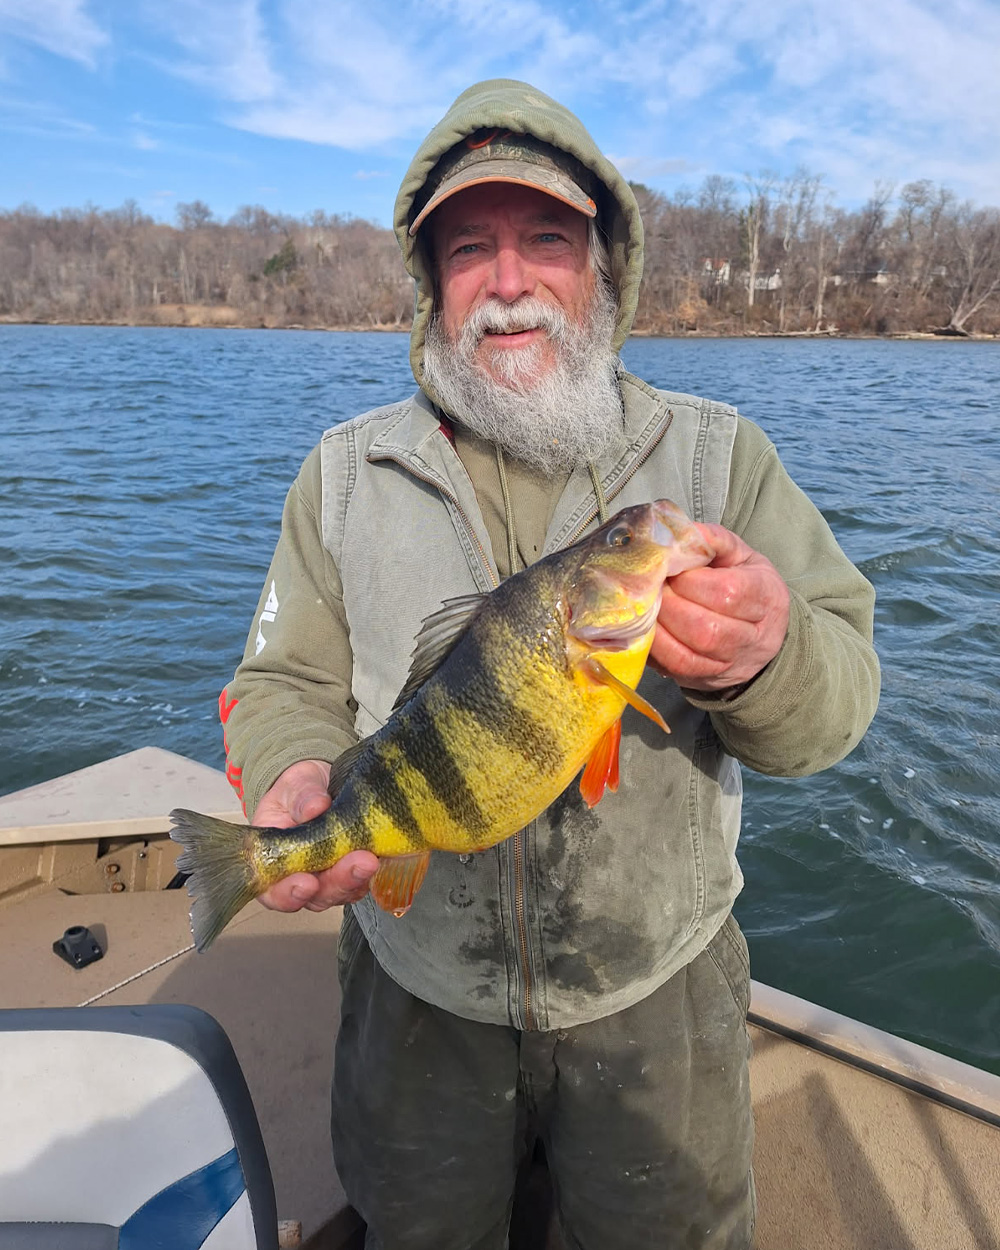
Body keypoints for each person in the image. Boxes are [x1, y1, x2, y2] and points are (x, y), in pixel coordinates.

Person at [220, 79, 879, 1249]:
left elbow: (837, 710)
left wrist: (770, 653)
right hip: (414, 995)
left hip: (654, 1002)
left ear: (602, 270)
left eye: (547, 241)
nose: (509, 280)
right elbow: (284, 685)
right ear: (430, 285)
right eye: (470, 247)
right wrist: (285, 770)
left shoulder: (720, 458)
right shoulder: (340, 472)